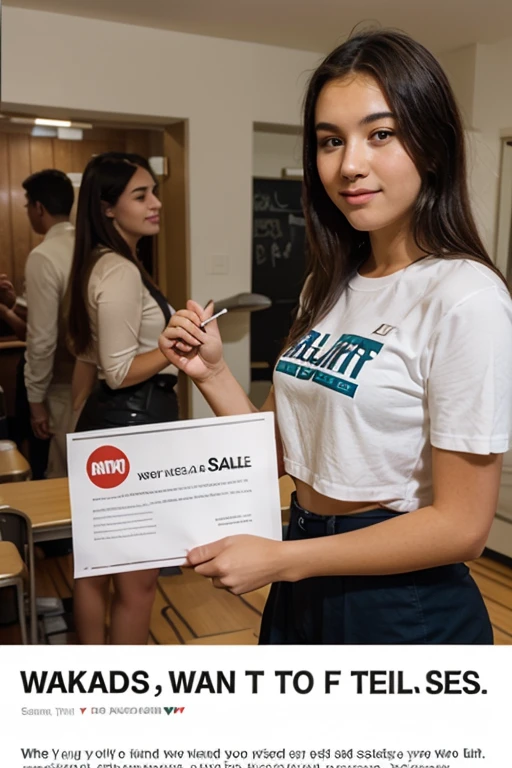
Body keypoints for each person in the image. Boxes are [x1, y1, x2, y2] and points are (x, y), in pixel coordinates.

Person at [159, 29, 512, 645]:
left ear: (431, 145)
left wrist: (281, 560)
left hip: (401, 603)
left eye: (381, 134)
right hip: (305, 567)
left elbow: (463, 528)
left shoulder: (466, 296)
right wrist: (214, 375)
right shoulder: (330, 283)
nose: (349, 164)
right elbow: (278, 451)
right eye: (330, 141)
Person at [66, 151, 179, 645]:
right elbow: (116, 371)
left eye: (154, 192)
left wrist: (72, 437)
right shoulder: (120, 270)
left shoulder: (103, 262)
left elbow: (87, 362)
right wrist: (176, 342)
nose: (156, 203)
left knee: (94, 569)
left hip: (109, 430)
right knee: (138, 580)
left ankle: (96, 693)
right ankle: (121, 701)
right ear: (108, 208)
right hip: (129, 431)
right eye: (142, 195)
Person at [0, 170, 76, 479]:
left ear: (39, 208)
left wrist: (35, 402)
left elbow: (41, 339)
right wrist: (9, 305)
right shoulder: (91, 247)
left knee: (60, 471)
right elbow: (38, 316)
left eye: (28, 205)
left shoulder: (44, 256)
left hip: (61, 382)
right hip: (96, 381)